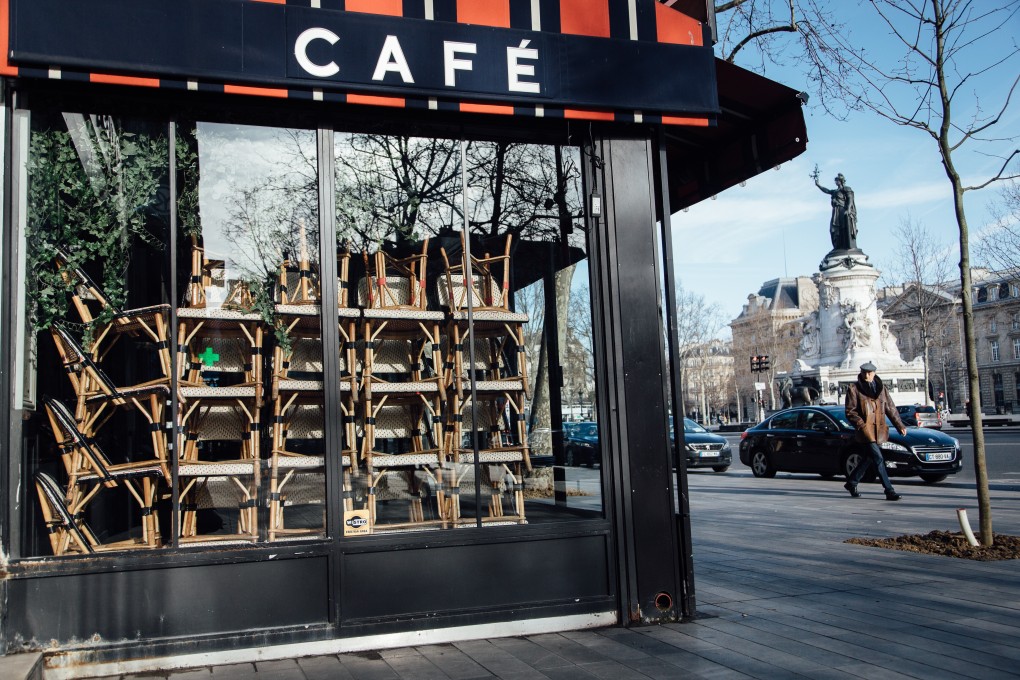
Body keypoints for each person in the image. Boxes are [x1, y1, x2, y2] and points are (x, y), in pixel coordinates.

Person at [843, 361, 907, 501]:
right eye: (864, 372)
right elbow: (850, 411)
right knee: (878, 458)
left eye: (870, 372)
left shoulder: (881, 388)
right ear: (860, 373)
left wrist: (900, 425)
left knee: (868, 458)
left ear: (874, 373)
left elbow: (890, 408)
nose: (867, 375)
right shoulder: (854, 389)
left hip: (879, 429)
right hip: (866, 432)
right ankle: (889, 491)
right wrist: (862, 425)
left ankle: (852, 482)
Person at [815, 172, 858, 251]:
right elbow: (827, 190)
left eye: (837, 180)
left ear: (841, 181)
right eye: (835, 180)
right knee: (834, 229)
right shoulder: (835, 191)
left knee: (844, 227)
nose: (836, 182)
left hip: (842, 210)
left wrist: (848, 209)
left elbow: (850, 199)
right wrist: (818, 185)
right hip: (836, 211)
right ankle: (838, 246)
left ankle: (846, 245)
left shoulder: (846, 189)